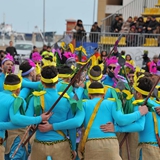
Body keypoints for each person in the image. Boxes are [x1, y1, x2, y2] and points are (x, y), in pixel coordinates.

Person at [101, 76, 160, 160]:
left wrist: (116, 128)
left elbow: (140, 126)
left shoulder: (139, 104)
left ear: (139, 94)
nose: (133, 94)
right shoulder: (157, 104)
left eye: (134, 91)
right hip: (157, 148)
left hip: (147, 149)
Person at [26, 65, 78, 160]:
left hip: (39, 145)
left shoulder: (35, 98)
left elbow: (26, 120)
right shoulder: (67, 100)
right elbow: (72, 128)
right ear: (57, 81)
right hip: (61, 145)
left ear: (41, 82)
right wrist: (73, 148)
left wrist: (37, 120)